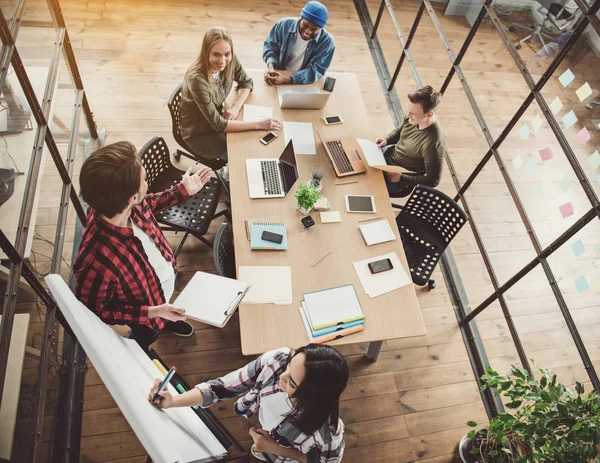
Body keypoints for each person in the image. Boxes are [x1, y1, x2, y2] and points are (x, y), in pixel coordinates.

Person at [73, 141, 213, 351]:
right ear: (132, 197)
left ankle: (167, 320)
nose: (147, 183)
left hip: (161, 287)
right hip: (147, 317)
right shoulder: (96, 261)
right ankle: (147, 343)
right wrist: (153, 313)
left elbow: (149, 203)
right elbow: (99, 310)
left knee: (167, 312)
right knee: (145, 337)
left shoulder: (123, 206)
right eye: (145, 179)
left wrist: (182, 190)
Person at [149, 344, 349, 462]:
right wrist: (172, 401)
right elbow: (220, 388)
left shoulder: (328, 432)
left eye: (291, 382)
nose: (281, 376)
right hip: (268, 434)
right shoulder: (278, 360)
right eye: (290, 365)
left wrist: (277, 449)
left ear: (309, 396)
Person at [180, 26, 282, 161]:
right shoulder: (197, 81)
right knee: (242, 155)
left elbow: (246, 82)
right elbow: (219, 125)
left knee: (255, 144)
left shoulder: (231, 60)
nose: (222, 61)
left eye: (227, 54)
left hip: (219, 117)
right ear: (206, 53)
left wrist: (236, 106)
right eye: (216, 54)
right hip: (200, 133)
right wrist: (259, 124)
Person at [375, 85, 446, 198]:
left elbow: (433, 180)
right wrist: (386, 139)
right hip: (387, 157)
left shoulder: (433, 144)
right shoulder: (413, 115)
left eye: (413, 113)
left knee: (364, 186)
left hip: (397, 179)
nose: (408, 115)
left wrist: (401, 178)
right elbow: (400, 131)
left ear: (429, 114)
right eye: (408, 110)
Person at [263, 1, 335, 86]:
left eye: (314, 29)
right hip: (279, 74)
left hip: (303, 81)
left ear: (320, 28)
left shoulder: (327, 43)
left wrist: (288, 79)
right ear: (301, 18)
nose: (307, 31)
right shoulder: (283, 25)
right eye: (305, 25)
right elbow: (270, 47)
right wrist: (271, 68)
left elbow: (316, 71)